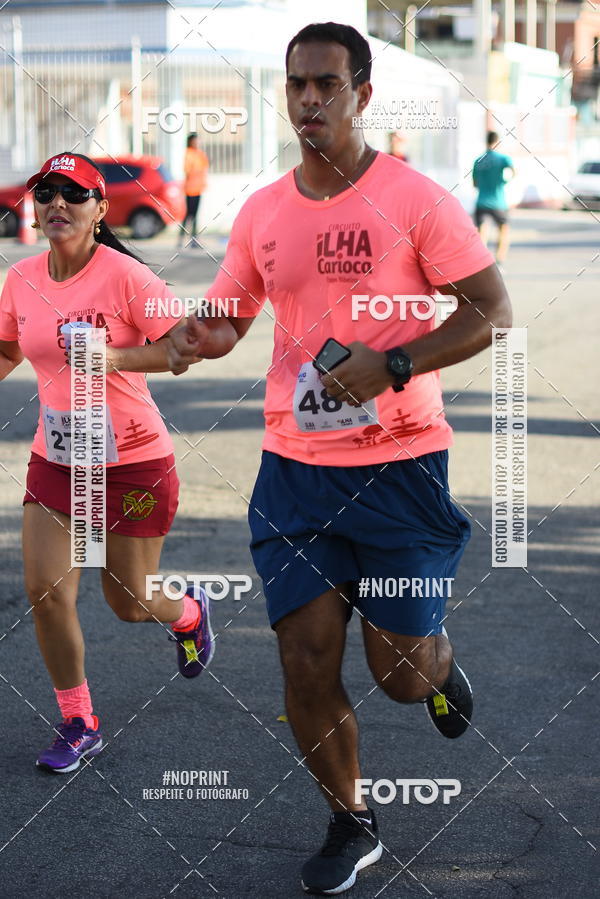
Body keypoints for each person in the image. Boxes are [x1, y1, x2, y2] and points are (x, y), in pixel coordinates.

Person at [167, 22, 512, 896]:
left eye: (326, 84)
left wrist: (396, 363)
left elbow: (492, 309)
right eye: (296, 86)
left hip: (400, 469)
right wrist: (185, 334)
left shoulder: (417, 200)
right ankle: (351, 820)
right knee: (305, 659)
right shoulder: (263, 211)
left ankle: (437, 663)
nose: (309, 100)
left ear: (362, 95)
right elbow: (226, 320)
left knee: (397, 674)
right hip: (294, 472)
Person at [0, 153, 213, 775]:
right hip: (58, 459)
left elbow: (184, 349)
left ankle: (191, 612)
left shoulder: (125, 277)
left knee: (128, 598)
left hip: (132, 463)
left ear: (99, 210)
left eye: (73, 194)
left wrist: (112, 360)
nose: (56, 204)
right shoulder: (22, 279)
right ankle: (78, 719)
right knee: (44, 589)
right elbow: (8, 348)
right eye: (46, 193)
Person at [473, 131, 515, 269]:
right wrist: (504, 181)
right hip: (498, 202)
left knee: (482, 233)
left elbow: (475, 183)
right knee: (503, 230)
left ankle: (482, 263)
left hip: (481, 201)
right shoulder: (502, 158)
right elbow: (513, 171)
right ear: (497, 142)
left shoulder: (478, 160)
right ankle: (500, 261)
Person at [177, 133, 209, 250]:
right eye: (195, 141)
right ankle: (181, 238)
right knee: (188, 215)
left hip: (198, 189)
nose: (197, 143)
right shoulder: (189, 154)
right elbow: (188, 170)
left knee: (195, 216)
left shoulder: (200, 154)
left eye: (198, 141)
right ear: (190, 141)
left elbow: (205, 167)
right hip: (190, 190)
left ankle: (194, 240)